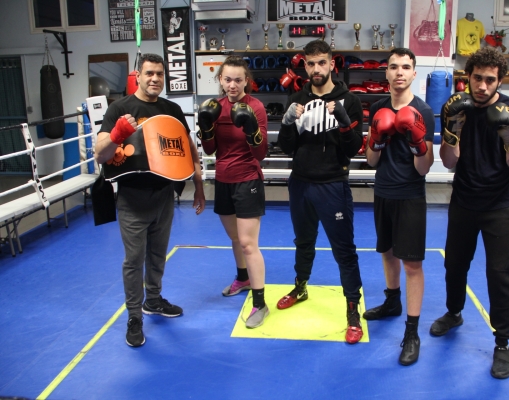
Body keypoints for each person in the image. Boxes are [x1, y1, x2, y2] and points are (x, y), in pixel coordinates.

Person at [95, 53, 205, 347]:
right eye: (149, 73)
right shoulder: (120, 108)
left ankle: (153, 301)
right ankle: (134, 316)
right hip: (132, 198)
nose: (155, 78)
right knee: (134, 260)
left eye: (159, 74)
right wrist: (118, 133)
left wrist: (198, 181)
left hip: (164, 196)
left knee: (157, 255)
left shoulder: (171, 109)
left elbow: (186, 145)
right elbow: (100, 154)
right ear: (138, 75)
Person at [432, 47, 509, 379]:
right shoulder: (457, 107)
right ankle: (454, 312)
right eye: (477, 78)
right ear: (468, 77)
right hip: (463, 200)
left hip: (499, 204)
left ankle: (502, 343)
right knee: (454, 264)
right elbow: (449, 161)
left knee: (499, 273)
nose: (483, 86)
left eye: (490, 80)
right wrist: (451, 130)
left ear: (499, 80)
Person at [277, 40, 365, 344]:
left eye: (321, 63)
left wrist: (343, 122)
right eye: (310, 63)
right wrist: (287, 122)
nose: (316, 69)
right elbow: (286, 147)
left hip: (332, 185)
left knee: (344, 250)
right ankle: (300, 287)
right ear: (305, 65)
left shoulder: (349, 101)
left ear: (331, 64)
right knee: (303, 241)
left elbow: (354, 149)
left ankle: (352, 309)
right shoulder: (297, 98)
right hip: (300, 182)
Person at [363, 48, 435, 365]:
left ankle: (412, 331)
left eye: (406, 66)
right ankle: (392, 302)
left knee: (412, 265)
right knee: (387, 252)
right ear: (387, 73)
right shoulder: (377, 108)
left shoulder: (424, 111)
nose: (399, 72)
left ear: (414, 73)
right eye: (394, 67)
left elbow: (424, 168)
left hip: (410, 195)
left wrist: (417, 140)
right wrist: (377, 138)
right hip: (383, 191)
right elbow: (371, 160)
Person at [196, 56, 269, 328]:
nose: (232, 85)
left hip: (248, 178)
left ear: (246, 81)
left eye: (238, 79)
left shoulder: (256, 107)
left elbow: (260, 153)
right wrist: (206, 127)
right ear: (220, 80)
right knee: (235, 238)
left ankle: (260, 303)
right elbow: (210, 150)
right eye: (227, 79)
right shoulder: (214, 108)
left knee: (249, 243)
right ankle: (243, 278)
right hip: (223, 179)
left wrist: (251, 129)